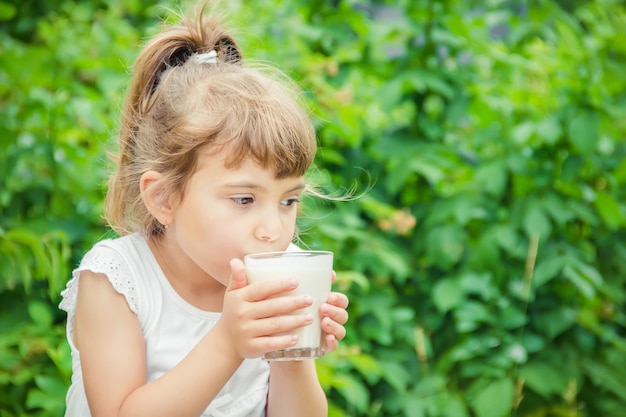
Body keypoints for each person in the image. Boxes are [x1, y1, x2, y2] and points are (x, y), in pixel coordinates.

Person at [59, 3, 349, 416]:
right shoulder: (117, 280)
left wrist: (294, 350)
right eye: (244, 199)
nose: (273, 230)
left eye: (289, 201)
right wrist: (228, 341)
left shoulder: (277, 275)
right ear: (164, 199)